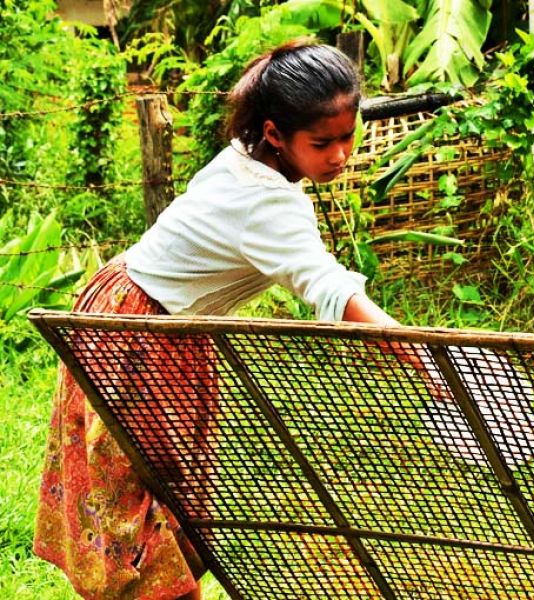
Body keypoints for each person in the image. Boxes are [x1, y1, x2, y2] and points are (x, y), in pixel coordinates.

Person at [34, 40, 402, 600]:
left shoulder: (247, 156)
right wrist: (404, 342)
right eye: (322, 143)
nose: (341, 156)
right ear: (276, 134)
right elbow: (320, 281)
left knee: (173, 482)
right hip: (136, 332)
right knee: (132, 492)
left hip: (158, 319)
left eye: (349, 136)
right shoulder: (265, 200)